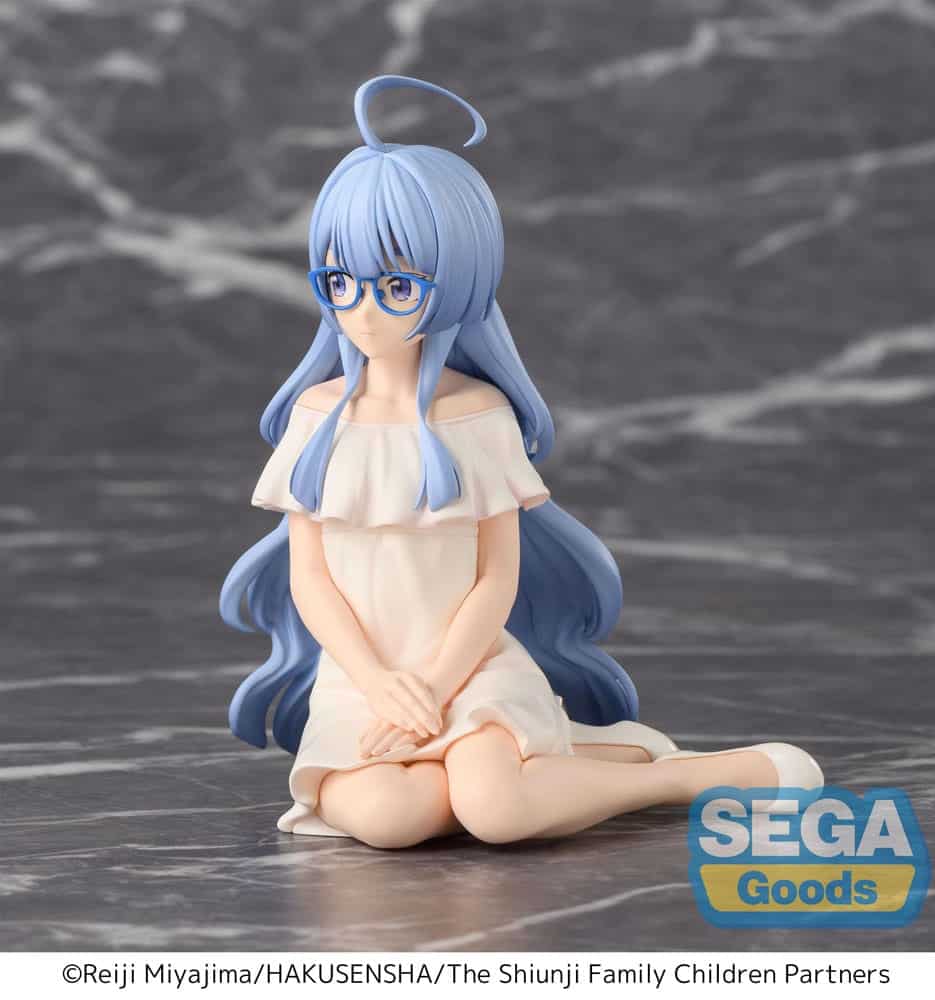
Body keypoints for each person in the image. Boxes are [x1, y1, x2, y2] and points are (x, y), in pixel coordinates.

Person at [220, 75, 823, 848]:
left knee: (495, 812)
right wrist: (380, 684)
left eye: (396, 285)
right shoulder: (316, 416)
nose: (361, 310)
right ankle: (570, 758)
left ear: (457, 281)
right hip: (361, 679)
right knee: (390, 819)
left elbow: (494, 577)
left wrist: (435, 685)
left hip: (471, 668)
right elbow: (311, 578)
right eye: (339, 281)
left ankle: (678, 778)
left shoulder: (476, 414)